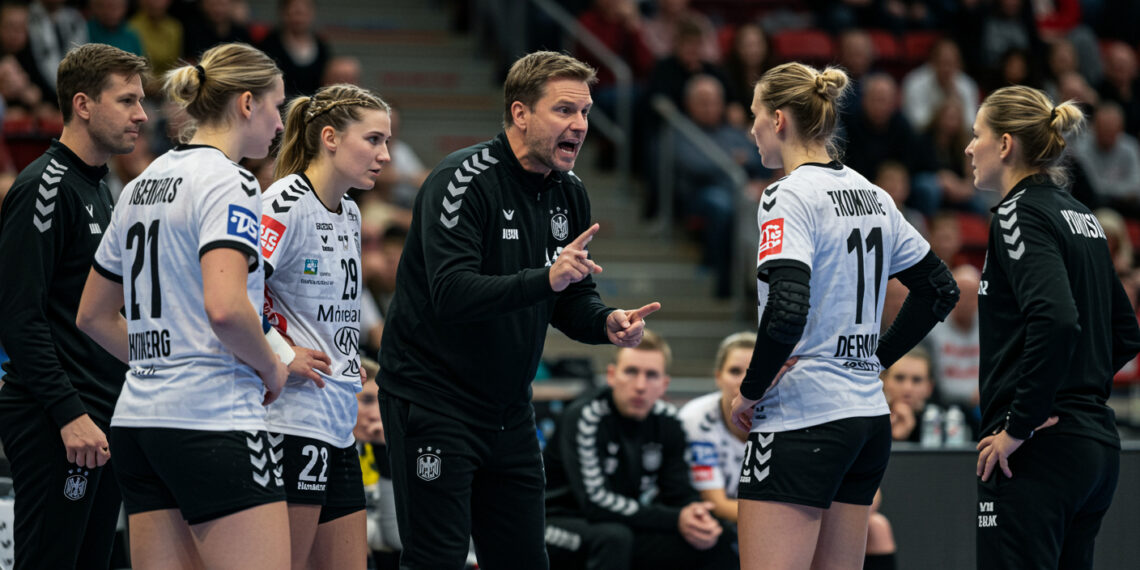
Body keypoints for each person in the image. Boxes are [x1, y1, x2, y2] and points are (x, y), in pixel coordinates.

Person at [377, 50, 660, 569]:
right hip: (434, 402)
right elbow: (452, 292)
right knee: (435, 561)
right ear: (520, 113)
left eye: (586, 112)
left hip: (509, 410)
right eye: (565, 111)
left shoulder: (570, 193)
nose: (580, 125)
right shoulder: (461, 179)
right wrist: (546, 278)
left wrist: (605, 322)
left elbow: (569, 299)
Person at [728, 62, 960, 569]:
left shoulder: (787, 194)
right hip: (866, 419)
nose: (751, 129)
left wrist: (750, 390)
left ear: (781, 119)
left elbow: (787, 311)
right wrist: (874, 362)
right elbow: (940, 289)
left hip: (802, 415)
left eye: (756, 116)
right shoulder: (873, 194)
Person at [74, 42, 294, 569]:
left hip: (139, 422)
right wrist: (273, 365)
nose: (281, 124)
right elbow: (226, 308)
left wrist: (160, 362)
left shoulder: (140, 182)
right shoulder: (231, 180)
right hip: (213, 418)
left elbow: (92, 315)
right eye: (277, 106)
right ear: (246, 103)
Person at [966, 85, 1140, 569]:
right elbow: (1126, 332)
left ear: (1004, 145)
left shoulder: (1015, 213)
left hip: (1035, 453)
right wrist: (1074, 394)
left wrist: (1025, 418)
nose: (968, 148)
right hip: (1094, 450)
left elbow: (1057, 318)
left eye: (975, 135)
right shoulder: (1082, 216)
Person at [0, 43, 147, 570]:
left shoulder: (104, 187)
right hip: (57, 418)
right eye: (127, 100)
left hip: (102, 417)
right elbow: (19, 317)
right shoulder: (44, 186)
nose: (141, 115)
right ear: (83, 105)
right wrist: (68, 414)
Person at [262, 82, 392, 569]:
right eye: (373, 139)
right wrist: (282, 351)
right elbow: (230, 290)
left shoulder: (351, 212)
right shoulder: (285, 201)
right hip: (293, 420)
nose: (384, 154)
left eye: (386, 142)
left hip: (338, 421)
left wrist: (348, 358)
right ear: (331, 137)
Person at [544, 330, 738, 570]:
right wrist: (676, 519)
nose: (640, 385)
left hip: (622, 523)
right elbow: (595, 503)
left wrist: (696, 516)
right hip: (555, 522)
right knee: (614, 538)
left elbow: (678, 491)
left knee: (717, 537)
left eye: (651, 375)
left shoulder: (668, 422)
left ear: (664, 384)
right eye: (631, 371)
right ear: (612, 375)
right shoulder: (586, 416)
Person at [678, 331, 755, 523]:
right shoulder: (695, 418)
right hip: (716, 526)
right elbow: (717, 505)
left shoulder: (788, 424)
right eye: (735, 371)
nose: (744, 381)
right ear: (718, 377)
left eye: (754, 371)